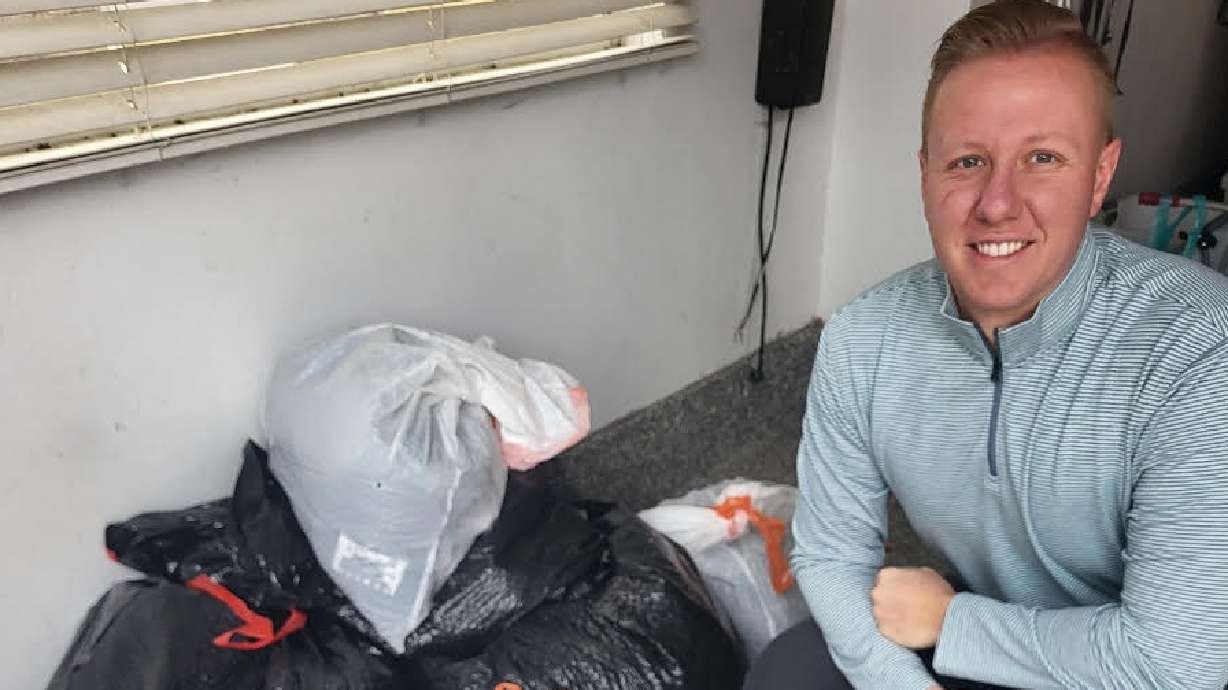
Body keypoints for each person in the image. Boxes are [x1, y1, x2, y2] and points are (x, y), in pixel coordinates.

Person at [743, 1, 1228, 688]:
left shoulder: (1201, 353)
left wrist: (953, 624)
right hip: (994, 634)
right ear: (925, 175)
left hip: (1145, 657)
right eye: (967, 161)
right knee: (792, 671)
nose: (998, 203)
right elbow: (830, 559)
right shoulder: (863, 341)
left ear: (1099, 175)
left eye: (1042, 158)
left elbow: (1175, 664)